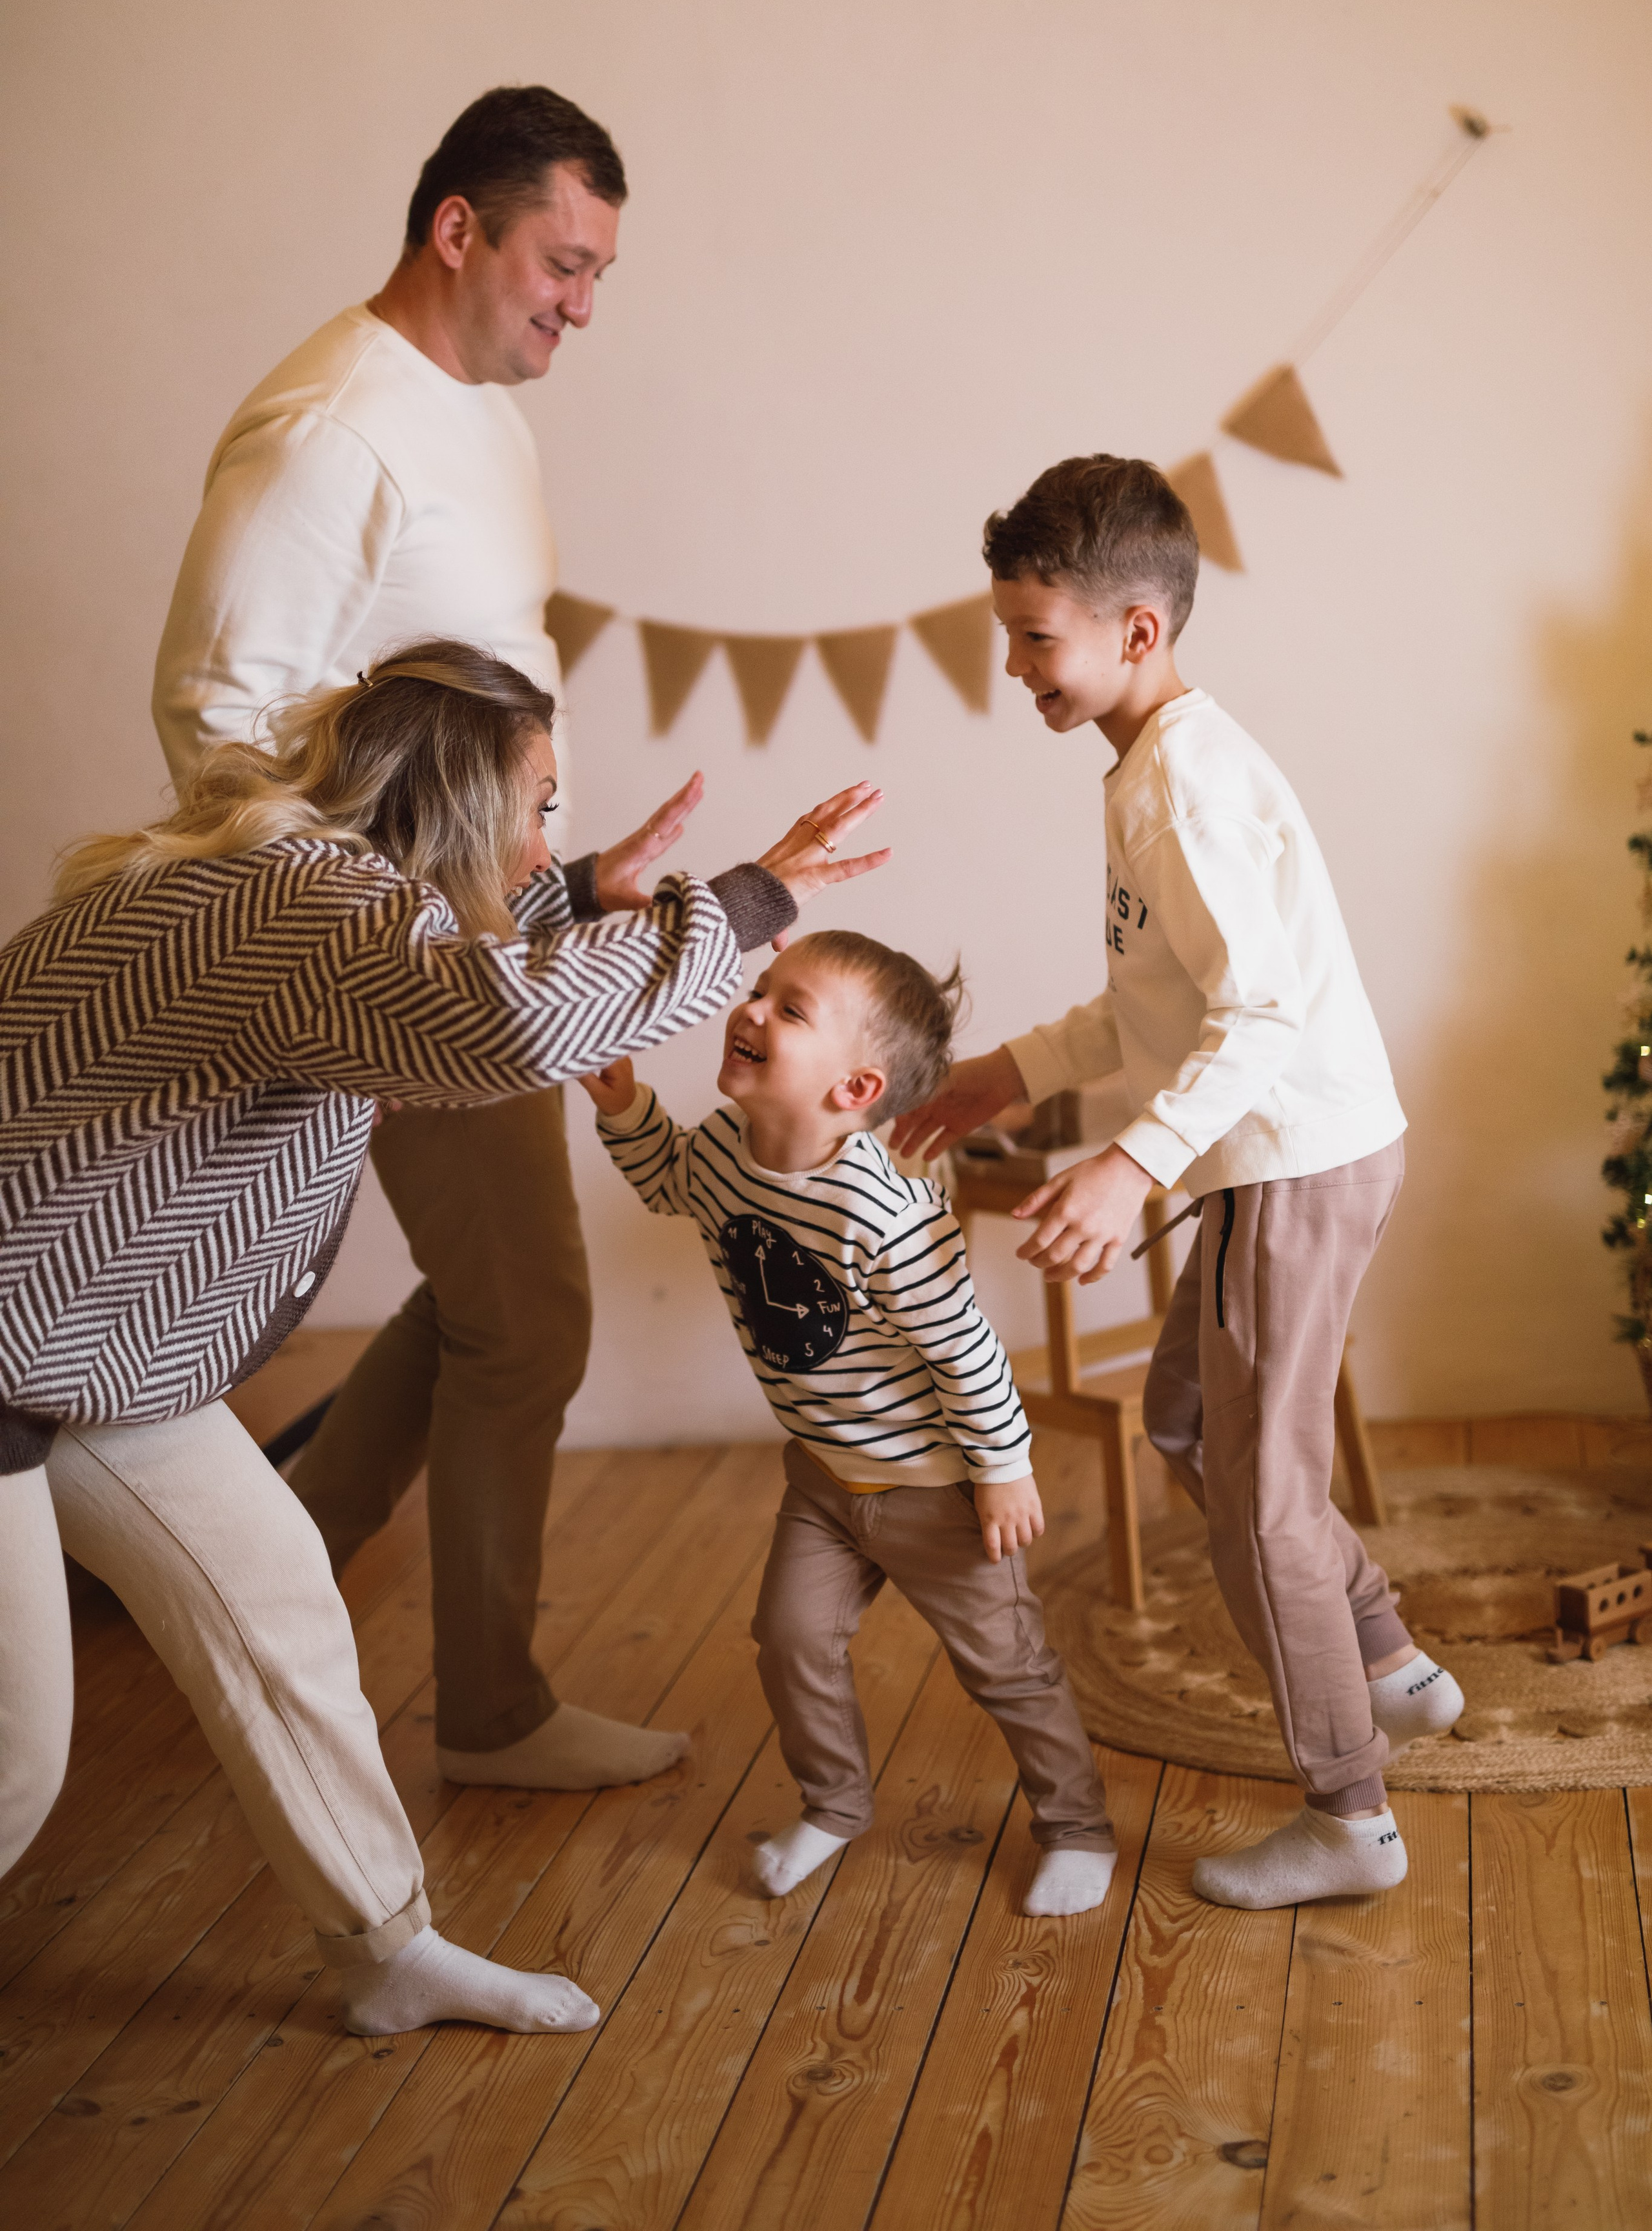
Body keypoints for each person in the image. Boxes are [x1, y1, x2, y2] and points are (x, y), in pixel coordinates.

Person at [0, 639, 887, 2033]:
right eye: (537, 807)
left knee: (277, 1603)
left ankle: (382, 1950)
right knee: (15, 1764)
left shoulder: (311, 890)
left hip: (81, 1354)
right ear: (466, 804)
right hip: (24, 1346)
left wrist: (580, 887)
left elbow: (439, 969)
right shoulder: (293, 903)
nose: (545, 836)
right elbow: (497, 1009)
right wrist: (750, 901)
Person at [151, 84, 689, 1790]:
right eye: (563, 260)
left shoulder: (482, 415)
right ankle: (489, 1715)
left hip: (487, 930)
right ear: (458, 225)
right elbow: (219, 717)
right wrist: (359, 974)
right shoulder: (331, 425)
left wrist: (540, 889)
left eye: (601, 275)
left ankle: (250, 1598)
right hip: (407, 961)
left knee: (494, 1303)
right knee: (526, 1319)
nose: (581, 305)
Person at [892, 456, 1464, 1912]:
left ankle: (1348, 1817)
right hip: (1274, 1160)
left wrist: (1124, 1167)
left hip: (1294, 1161)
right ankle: (1385, 1660)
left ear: (1135, 632)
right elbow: (1147, 1006)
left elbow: (1256, 1016)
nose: (1012, 666)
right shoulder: (1151, 771)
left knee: (1262, 1505)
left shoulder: (1181, 789)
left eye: (1036, 637)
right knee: (1188, 1423)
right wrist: (1007, 1074)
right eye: (1007, 634)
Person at [583, 931, 1117, 1919]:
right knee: (788, 1638)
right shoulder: (724, 1151)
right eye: (759, 991)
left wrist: (1003, 1468)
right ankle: (833, 1805)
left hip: (937, 1492)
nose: (751, 1011)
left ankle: (1076, 1826)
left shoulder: (885, 1212)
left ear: (855, 1089)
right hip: (825, 1483)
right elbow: (669, 1181)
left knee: (1008, 1669)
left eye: (791, 1012)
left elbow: (965, 1344)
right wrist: (622, 1101)